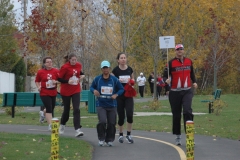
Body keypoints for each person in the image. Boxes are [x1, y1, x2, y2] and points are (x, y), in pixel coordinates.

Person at [163, 44, 198, 146]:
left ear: (183, 50)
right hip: (175, 92)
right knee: (176, 115)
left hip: (187, 91)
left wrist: (194, 82)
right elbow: (164, 76)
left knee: (187, 111)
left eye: (181, 49)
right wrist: (166, 80)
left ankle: (189, 136)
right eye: (178, 49)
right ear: (175, 51)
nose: (180, 51)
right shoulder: (170, 63)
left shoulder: (189, 61)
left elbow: (192, 74)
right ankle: (178, 136)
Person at [90, 60, 124, 146]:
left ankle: (109, 140)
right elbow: (91, 87)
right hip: (101, 104)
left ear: (109, 68)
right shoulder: (97, 79)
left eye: (107, 68)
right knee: (102, 121)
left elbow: (121, 89)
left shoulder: (114, 80)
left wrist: (116, 94)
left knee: (112, 123)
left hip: (112, 104)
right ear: (101, 69)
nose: (106, 70)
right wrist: (94, 91)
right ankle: (101, 138)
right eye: (104, 68)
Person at [58, 53, 85, 137]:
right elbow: (59, 78)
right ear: (69, 60)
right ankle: (62, 124)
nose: (74, 61)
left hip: (75, 89)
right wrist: (67, 81)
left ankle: (77, 129)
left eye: (75, 60)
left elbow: (80, 73)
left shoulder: (78, 65)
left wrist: (82, 76)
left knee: (76, 109)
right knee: (67, 110)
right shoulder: (65, 67)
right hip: (66, 90)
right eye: (72, 60)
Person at [112, 52, 135, 144]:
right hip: (119, 96)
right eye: (121, 58)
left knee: (129, 114)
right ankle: (121, 134)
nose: (123, 59)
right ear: (118, 60)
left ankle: (129, 134)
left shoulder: (129, 69)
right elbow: (111, 81)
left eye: (124, 58)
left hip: (128, 95)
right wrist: (118, 82)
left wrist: (132, 83)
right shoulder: (115, 71)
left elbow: (133, 80)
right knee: (121, 116)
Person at [35, 57, 59, 131]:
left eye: (51, 62)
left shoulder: (56, 71)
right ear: (44, 64)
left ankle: (43, 113)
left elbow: (60, 79)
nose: (49, 63)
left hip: (53, 91)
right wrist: (39, 87)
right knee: (49, 108)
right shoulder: (40, 72)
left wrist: (56, 82)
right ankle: (50, 125)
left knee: (51, 107)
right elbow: (37, 81)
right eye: (48, 62)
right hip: (44, 92)